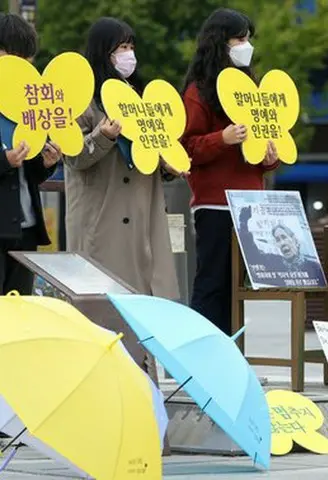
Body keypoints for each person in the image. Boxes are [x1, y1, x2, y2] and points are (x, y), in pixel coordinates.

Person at [63, 17, 180, 371]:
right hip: (102, 221)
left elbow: (150, 155)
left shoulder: (141, 100)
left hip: (142, 222)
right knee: (103, 309)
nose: (128, 56)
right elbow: (73, 156)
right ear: (103, 53)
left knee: (143, 306)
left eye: (131, 47)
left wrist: (167, 165)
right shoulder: (82, 102)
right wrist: (103, 136)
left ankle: (143, 387)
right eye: (120, 49)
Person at [180, 8, 279, 335]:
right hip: (216, 204)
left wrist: (269, 157)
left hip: (251, 204)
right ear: (220, 42)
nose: (245, 45)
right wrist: (221, 139)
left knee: (238, 289)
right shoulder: (199, 91)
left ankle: (232, 356)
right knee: (212, 283)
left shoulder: (251, 87)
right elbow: (186, 148)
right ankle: (204, 353)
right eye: (239, 38)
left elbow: (262, 150)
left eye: (248, 38)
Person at [0, 13, 63, 295]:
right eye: (16, 57)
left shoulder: (28, 104)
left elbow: (29, 175)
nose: (25, 67)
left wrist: (45, 164)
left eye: (28, 59)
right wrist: (4, 161)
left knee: (23, 315)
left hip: (25, 228)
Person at [236, 206, 325, 287]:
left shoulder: (313, 266)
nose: (282, 243)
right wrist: (244, 224)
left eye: (284, 237)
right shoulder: (273, 260)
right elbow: (253, 253)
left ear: (295, 240)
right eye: (278, 240)